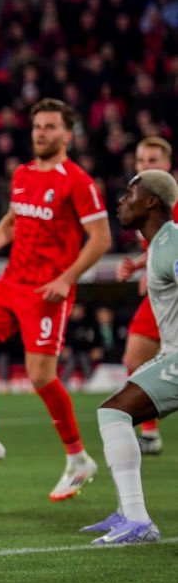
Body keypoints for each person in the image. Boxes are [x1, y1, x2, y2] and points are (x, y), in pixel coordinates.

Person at [0, 98, 111, 500]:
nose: (41, 132)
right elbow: (13, 220)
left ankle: (78, 458)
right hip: (11, 282)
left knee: (40, 375)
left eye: (50, 126)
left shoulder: (78, 181)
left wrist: (67, 278)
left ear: (67, 135)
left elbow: (102, 239)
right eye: (37, 126)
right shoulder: (22, 173)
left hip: (46, 290)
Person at [80, 170, 177, 545]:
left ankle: (137, 519)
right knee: (116, 411)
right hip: (171, 352)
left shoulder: (170, 244)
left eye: (130, 193)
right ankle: (129, 512)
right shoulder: (160, 245)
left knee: (114, 412)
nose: (121, 200)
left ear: (151, 202)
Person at [115, 136, 176, 455]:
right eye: (140, 161)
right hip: (161, 297)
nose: (144, 167)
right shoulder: (143, 205)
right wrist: (141, 265)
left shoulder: (168, 204)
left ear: (168, 167)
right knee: (134, 359)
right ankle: (150, 434)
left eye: (152, 161)